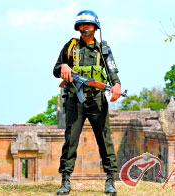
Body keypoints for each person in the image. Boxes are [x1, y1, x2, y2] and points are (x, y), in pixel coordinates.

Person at [53, 10, 122, 195]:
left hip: (97, 100)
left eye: (89, 25)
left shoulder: (103, 49)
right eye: (82, 25)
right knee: (71, 140)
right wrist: (64, 66)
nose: (85, 27)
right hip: (75, 100)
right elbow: (55, 69)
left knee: (105, 140)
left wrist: (116, 85)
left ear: (95, 27)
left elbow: (113, 72)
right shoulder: (71, 47)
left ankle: (110, 180)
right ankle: (65, 180)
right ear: (78, 27)